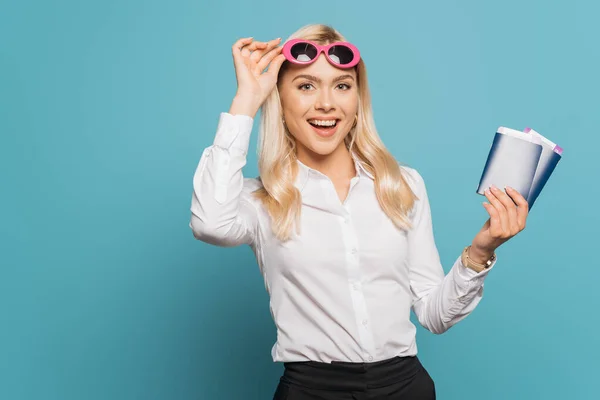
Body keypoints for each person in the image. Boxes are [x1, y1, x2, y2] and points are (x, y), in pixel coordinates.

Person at [190, 24, 529, 400]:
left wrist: (480, 253)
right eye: (305, 86)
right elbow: (210, 224)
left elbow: (435, 314)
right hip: (311, 390)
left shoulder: (403, 185)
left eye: (342, 85)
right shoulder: (262, 197)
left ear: (357, 100)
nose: (326, 103)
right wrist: (247, 100)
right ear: (279, 99)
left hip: (406, 386)